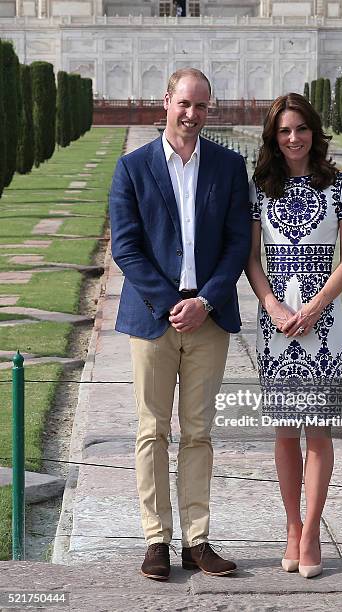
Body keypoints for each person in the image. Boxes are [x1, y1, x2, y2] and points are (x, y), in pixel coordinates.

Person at [109, 68, 251, 580]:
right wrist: (174, 302)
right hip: (153, 316)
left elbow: (238, 243)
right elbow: (126, 246)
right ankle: (155, 540)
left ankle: (197, 539)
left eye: (202, 106)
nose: (192, 115)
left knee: (198, 432)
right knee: (152, 431)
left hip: (207, 319)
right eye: (184, 104)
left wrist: (206, 301)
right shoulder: (133, 168)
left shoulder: (229, 166)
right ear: (165, 101)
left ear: (210, 109)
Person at [246, 93, 342, 578]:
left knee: (317, 430)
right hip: (275, 326)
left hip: (323, 322)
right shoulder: (262, 187)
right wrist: (273, 305)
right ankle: (291, 526)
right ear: (274, 137)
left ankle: (311, 530)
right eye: (284, 131)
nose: (294, 138)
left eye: (301, 129)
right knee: (283, 433)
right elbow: (252, 259)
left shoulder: (340, 186)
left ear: (314, 131)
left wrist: (314, 308)